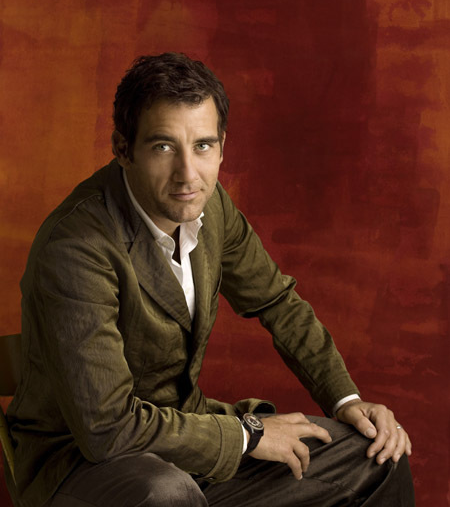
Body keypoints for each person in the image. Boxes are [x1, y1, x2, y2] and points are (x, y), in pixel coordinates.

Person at [6, 53, 414, 507]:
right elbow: (107, 428)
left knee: (377, 455)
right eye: (163, 147)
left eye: (202, 146)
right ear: (123, 149)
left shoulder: (211, 204)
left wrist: (346, 402)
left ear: (221, 147)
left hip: (191, 441)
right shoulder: (76, 247)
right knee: (169, 494)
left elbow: (277, 303)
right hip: (80, 462)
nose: (188, 175)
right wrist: (247, 435)